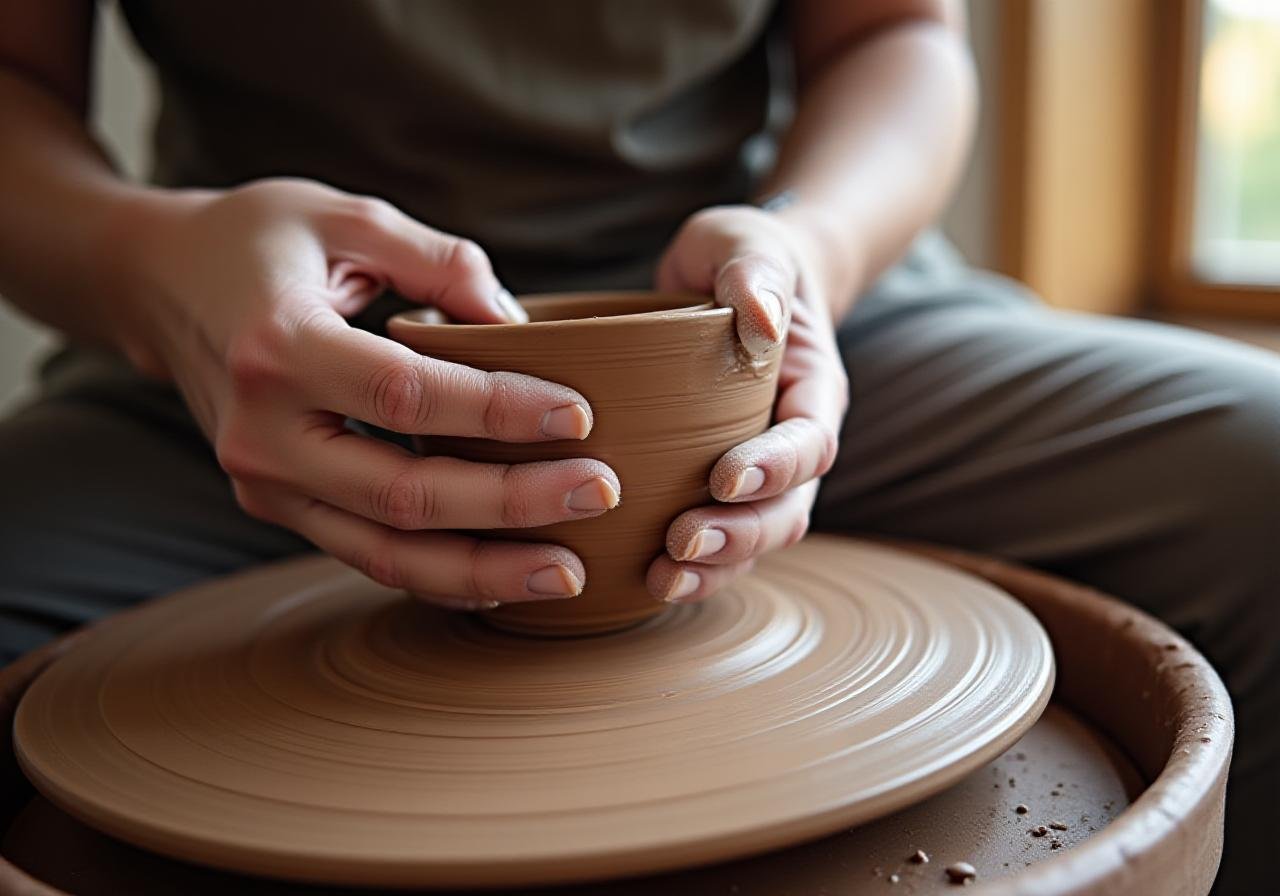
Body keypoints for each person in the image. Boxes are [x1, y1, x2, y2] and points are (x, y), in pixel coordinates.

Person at [0, 2, 1274, 891]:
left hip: (768, 319)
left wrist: (808, 245)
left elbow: (900, 35)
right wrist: (156, 272)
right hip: (268, 361)